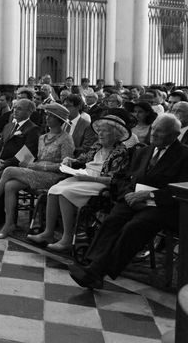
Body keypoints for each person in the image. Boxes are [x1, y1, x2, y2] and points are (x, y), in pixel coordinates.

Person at [69, 114, 188, 289]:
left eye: (160, 132)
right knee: (112, 220)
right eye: (153, 128)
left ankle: (97, 271)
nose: (153, 134)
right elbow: (125, 178)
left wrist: (149, 196)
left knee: (133, 227)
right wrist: (128, 194)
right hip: (134, 198)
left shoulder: (184, 155)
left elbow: (180, 188)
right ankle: (92, 264)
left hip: (162, 206)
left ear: (174, 135)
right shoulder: (143, 151)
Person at [28, 115, 131, 252]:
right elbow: (82, 159)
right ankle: (48, 233)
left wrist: (90, 179)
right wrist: (70, 160)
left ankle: (67, 239)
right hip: (85, 177)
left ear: (115, 134)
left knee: (65, 193)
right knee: (53, 189)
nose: (99, 133)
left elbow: (114, 179)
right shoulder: (97, 146)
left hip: (101, 184)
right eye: (99, 130)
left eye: (104, 131)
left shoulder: (121, 151)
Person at [0, 103, 74, 238]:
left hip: (53, 176)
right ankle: (8, 225)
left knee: (8, 170)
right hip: (36, 172)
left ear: (59, 120)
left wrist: (39, 166)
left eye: (51, 116)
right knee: (9, 185)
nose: (47, 118)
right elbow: (34, 157)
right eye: (47, 115)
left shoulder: (66, 138)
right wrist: (30, 164)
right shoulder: (43, 137)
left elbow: (65, 167)